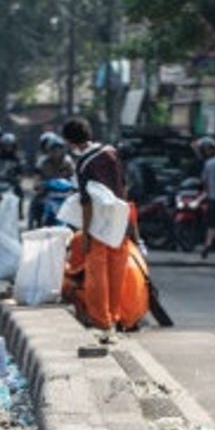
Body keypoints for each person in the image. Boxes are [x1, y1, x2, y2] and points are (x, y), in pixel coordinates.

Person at [63, 116, 128, 336]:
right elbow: (124, 187)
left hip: (99, 226)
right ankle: (115, 316)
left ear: (70, 141)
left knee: (97, 274)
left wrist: (88, 233)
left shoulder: (84, 163)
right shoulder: (112, 153)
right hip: (119, 219)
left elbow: (87, 202)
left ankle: (102, 321)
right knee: (117, 272)